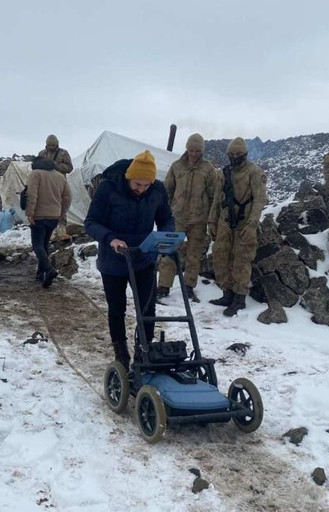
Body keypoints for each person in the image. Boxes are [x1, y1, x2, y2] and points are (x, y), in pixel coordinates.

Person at [84, 150, 174, 369]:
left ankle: (144, 352)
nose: (141, 189)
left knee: (147, 309)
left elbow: (166, 219)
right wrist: (111, 238)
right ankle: (121, 353)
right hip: (114, 259)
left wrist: (166, 236)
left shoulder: (157, 190)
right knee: (117, 308)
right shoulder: (108, 188)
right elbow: (91, 222)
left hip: (144, 257)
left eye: (146, 185)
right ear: (129, 177)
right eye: (137, 184)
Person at [208, 137, 266, 316]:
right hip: (225, 221)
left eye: (238, 154)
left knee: (242, 260)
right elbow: (217, 198)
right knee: (220, 257)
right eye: (231, 154)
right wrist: (212, 221)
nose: (234, 157)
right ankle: (227, 293)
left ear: (245, 154)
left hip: (245, 222)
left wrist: (252, 224)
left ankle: (240, 298)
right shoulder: (224, 173)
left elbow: (259, 200)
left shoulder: (254, 172)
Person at [157, 133, 218, 303]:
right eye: (191, 150)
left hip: (199, 219)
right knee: (169, 251)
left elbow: (213, 194)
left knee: (194, 253)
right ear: (186, 149)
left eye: (197, 151)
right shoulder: (176, 166)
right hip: (177, 217)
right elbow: (167, 189)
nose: (193, 154)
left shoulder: (208, 169)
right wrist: (165, 211)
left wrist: (212, 217)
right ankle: (163, 286)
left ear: (202, 151)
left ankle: (189, 286)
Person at [25, 156, 72, 288]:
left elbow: (32, 195)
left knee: (37, 245)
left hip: (39, 216)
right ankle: (41, 275)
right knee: (44, 244)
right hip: (53, 216)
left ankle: (49, 269)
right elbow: (67, 197)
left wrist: (30, 213)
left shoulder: (36, 174)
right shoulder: (59, 176)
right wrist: (61, 213)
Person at [36, 135, 74, 241]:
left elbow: (69, 168)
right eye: (49, 145)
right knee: (46, 208)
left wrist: (56, 165)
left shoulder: (63, 153)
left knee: (61, 207)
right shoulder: (42, 154)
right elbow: (36, 166)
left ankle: (61, 231)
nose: (51, 147)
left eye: (53, 145)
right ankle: (49, 233)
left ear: (57, 143)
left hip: (59, 185)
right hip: (44, 185)